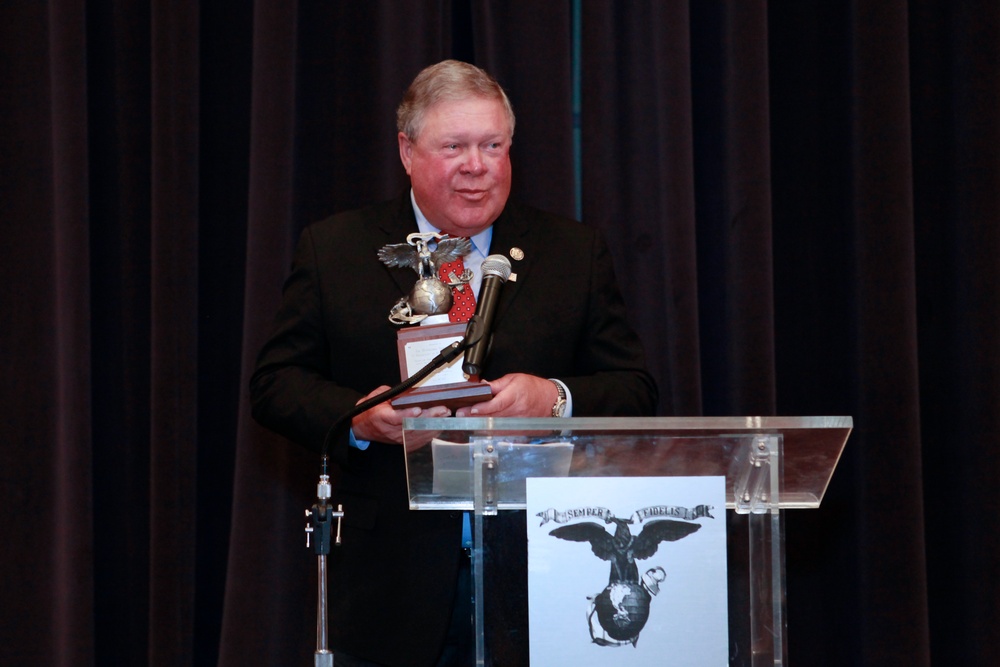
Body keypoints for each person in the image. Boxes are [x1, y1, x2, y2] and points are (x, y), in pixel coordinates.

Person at [250, 60, 657, 666]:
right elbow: (276, 385)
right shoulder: (335, 250)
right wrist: (359, 418)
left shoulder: (572, 252)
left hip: (544, 577)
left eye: (493, 145)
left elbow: (635, 389)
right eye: (455, 146)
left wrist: (554, 399)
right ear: (407, 152)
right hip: (392, 582)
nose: (477, 165)